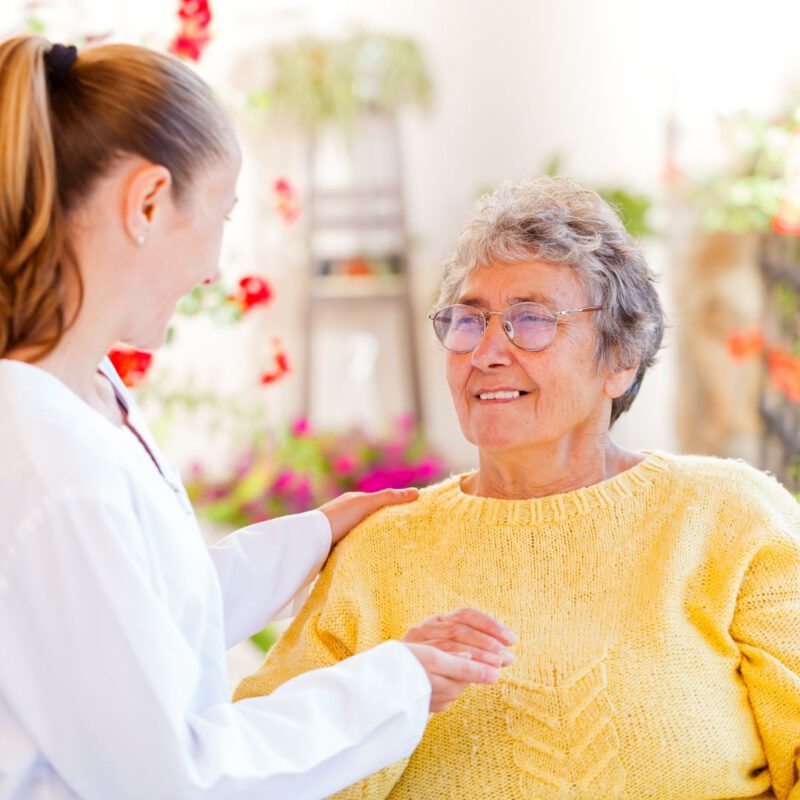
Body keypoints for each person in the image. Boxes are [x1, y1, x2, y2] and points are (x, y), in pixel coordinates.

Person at [0, 35, 516, 800]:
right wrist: (396, 682)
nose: (214, 267)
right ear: (147, 203)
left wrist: (314, 533)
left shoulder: (86, 396)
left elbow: (149, 614)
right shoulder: (48, 460)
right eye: (220, 214)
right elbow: (170, 777)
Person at [236, 176, 800, 800]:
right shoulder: (381, 548)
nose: (485, 352)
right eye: (467, 320)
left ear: (621, 360)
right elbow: (260, 772)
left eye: (531, 320)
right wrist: (390, 691)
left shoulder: (730, 517)